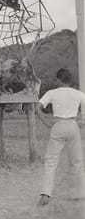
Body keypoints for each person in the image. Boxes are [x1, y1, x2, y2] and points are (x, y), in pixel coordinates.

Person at [38, 68, 85, 205]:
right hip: (72, 124)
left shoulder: (52, 93)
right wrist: (82, 121)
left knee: (51, 161)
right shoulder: (78, 94)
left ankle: (46, 194)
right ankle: (79, 193)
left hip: (58, 125)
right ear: (69, 80)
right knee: (76, 161)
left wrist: (46, 122)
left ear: (58, 80)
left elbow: (38, 107)